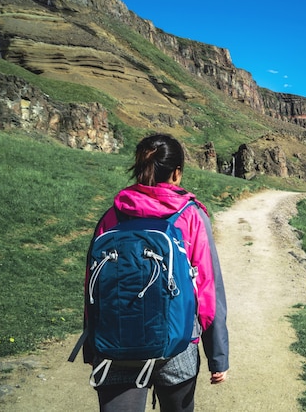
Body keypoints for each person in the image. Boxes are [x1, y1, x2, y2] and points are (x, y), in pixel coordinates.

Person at [83, 133, 229, 411]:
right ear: (177, 173)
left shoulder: (112, 215)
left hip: (114, 344)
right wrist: (217, 357)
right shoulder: (191, 215)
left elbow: (93, 284)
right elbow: (208, 291)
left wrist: (93, 343)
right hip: (177, 347)